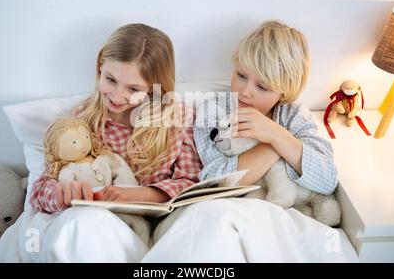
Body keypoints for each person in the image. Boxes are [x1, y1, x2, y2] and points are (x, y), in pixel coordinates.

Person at [141, 21, 356, 262]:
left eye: (262, 86)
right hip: (230, 211)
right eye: (241, 75)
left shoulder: (294, 116)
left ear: (283, 93)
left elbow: (326, 179)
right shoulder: (215, 110)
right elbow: (215, 180)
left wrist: (276, 133)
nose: (245, 91)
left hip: (279, 216)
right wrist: (272, 147)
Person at [0, 23, 202, 262]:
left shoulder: (177, 119)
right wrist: (63, 193)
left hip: (156, 227)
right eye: (110, 79)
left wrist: (138, 194)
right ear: (100, 66)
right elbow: (40, 190)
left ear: (155, 88)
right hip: (98, 230)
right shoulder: (81, 122)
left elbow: (192, 183)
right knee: (78, 226)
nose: (116, 96)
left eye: (133, 88)